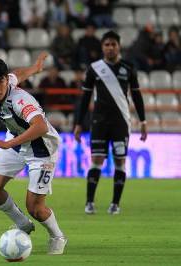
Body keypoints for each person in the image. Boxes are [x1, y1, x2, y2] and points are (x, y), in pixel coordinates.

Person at [0, 55, 68, 255]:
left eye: (1, 82)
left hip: (41, 149)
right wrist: (34, 68)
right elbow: (17, 74)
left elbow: (40, 126)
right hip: (18, 142)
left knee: (35, 208)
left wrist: (7, 143)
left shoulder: (20, 99)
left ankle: (58, 236)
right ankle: (23, 224)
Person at [73, 31, 147, 215]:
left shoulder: (129, 68)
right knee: (97, 160)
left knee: (120, 162)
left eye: (113, 44)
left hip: (121, 122)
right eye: (107, 44)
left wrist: (143, 120)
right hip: (99, 121)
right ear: (102, 47)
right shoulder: (94, 68)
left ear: (119, 46)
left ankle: (115, 204)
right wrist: (79, 123)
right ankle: (89, 202)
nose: (110, 47)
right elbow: (85, 97)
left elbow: (137, 95)